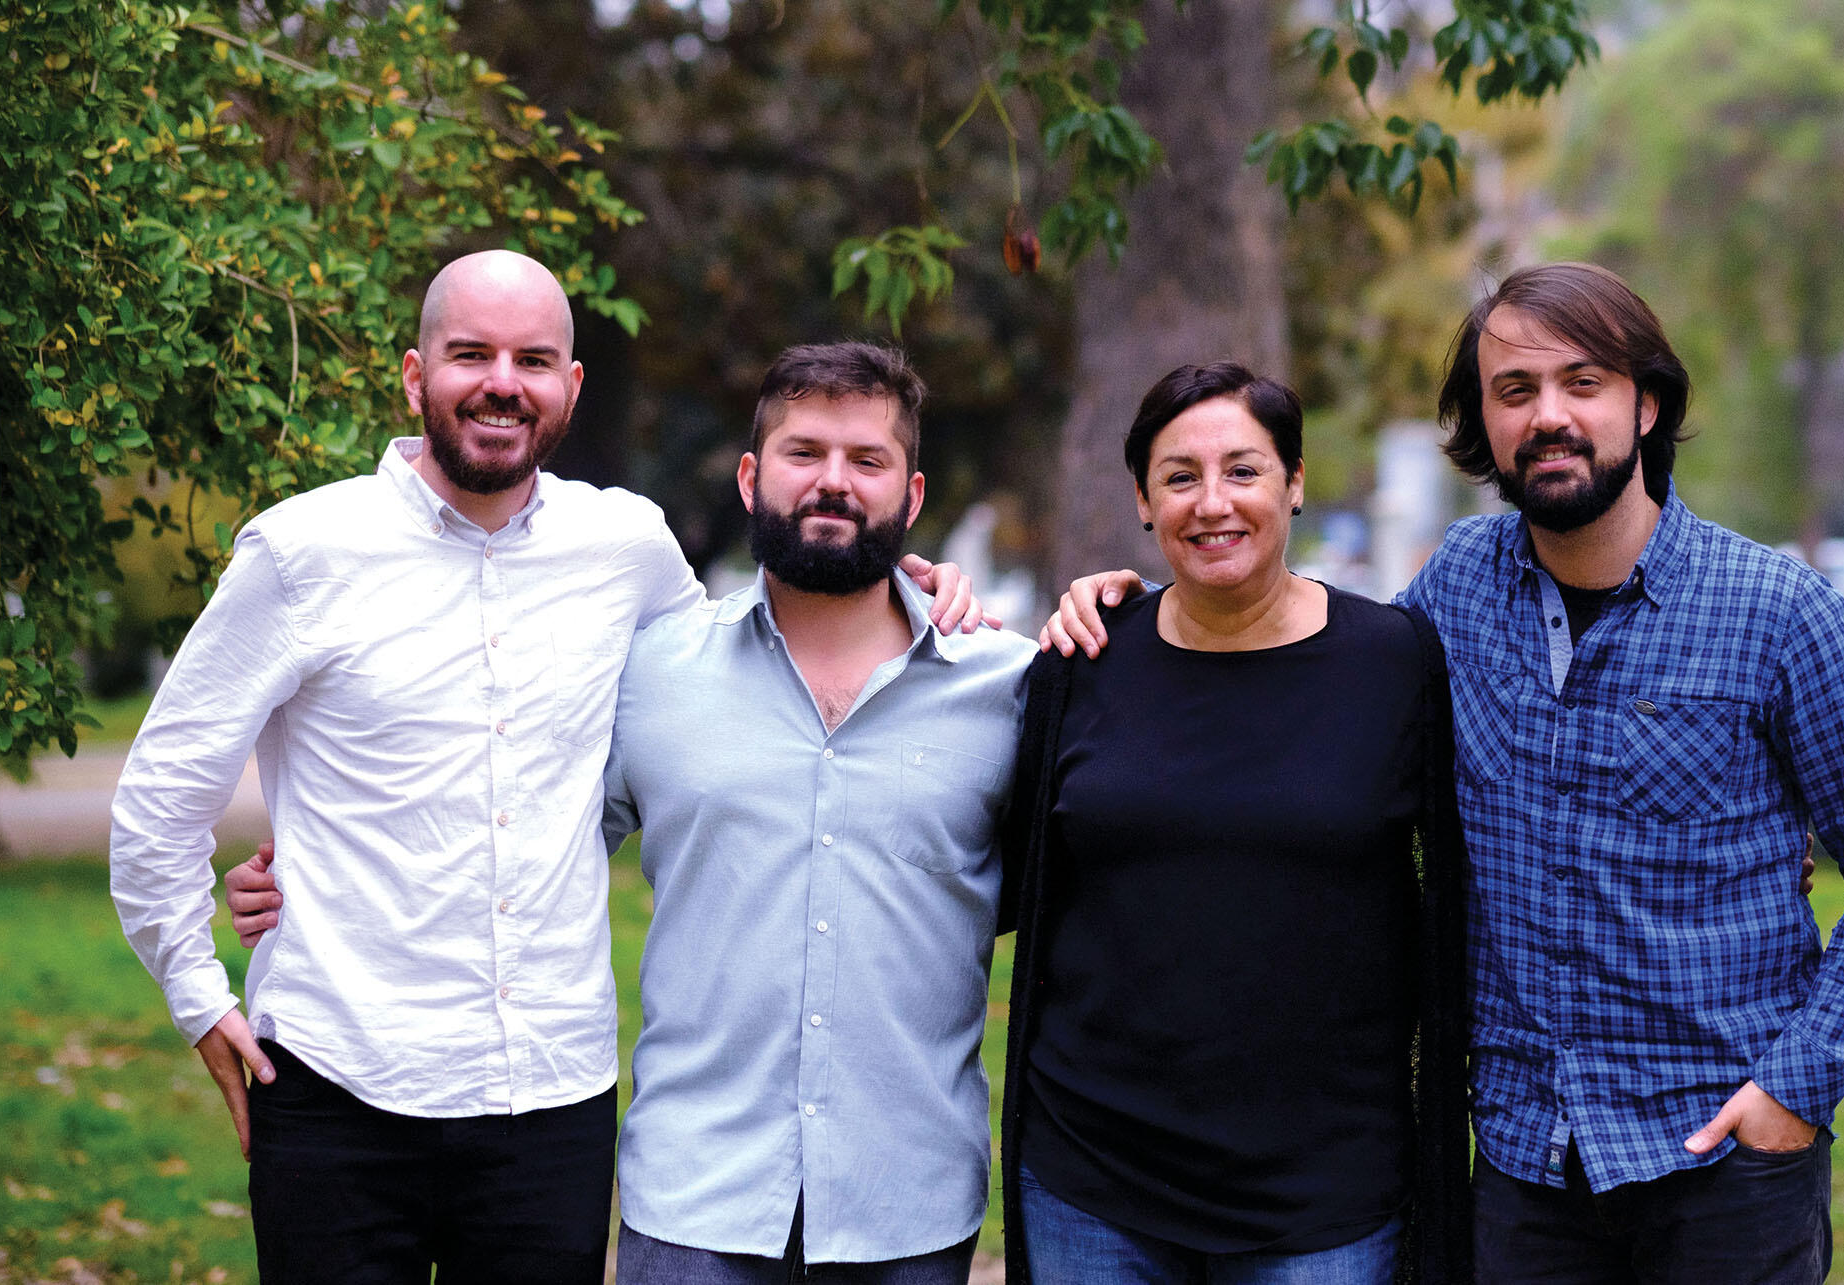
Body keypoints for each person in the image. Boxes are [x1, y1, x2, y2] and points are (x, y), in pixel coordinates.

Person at [1045, 264, 1844, 1285]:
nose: (1549, 416)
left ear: (1647, 404)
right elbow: (1297, 655)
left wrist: (1798, 1086)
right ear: (1485, 419)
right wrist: (1135, 605)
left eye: (1583, 383)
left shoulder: (1778, 612)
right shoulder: (1453, 594)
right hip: (1521, 1170)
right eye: (1515, 391)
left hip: (1722, 1163)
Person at [111, 253, 980, 1284]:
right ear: (413, 373)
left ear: (570, 386)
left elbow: (741, 677)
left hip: (550, 1104)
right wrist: (197, 991)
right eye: (469, 353)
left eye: (533, 359)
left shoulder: (626, 547)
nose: (501, 382)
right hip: (338, 1081)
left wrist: (900, 583)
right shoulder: (304, 551)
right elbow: (163, 794)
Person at [1001, 362, 1471, 1284]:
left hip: (1322, 1197)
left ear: (1295, 483)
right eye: (1179, 477)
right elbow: (1011, 880)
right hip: (1094, 1184)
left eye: (1243, 471)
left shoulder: (1394, 661)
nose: (1212, 503)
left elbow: (1447, 891)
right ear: (1142, 500)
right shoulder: (1082, 660)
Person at [597, 343, 1033, 1281]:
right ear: (753, 477)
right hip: (693, 1198)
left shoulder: (1009, 686)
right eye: (804, 452)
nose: (832, 481)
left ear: (910, 497)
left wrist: (1113, 596)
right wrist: (313, 878)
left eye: (866, 460)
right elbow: (522, 843)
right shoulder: (653, 672)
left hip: (908, 1203)